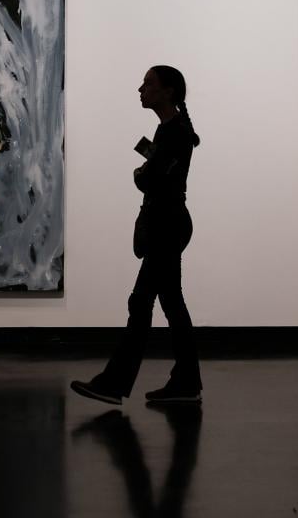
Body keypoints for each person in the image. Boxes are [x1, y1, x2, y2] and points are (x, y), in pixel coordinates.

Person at [71, 66, 203, 405]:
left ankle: (114, 383)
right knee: (170, 302)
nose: (141, 89)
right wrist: (146, 171)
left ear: (168, 91)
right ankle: (186, 381)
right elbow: (154, 174)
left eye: (148, 84)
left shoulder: (176, 133)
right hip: (167, 223)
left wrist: (141, 173)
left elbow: (149, 179)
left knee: (142, 302)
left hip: (167, 225)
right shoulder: (170, 130)